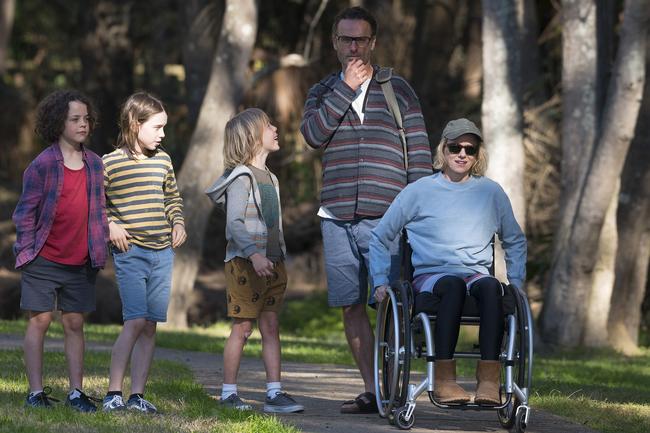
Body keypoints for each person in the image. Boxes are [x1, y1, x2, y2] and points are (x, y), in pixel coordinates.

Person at [300, 6, 432, 413]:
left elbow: (421, 153)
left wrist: (417, 212)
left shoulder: (397, 88)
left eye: (360, 39)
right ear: (335, 43)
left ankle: (394, 389)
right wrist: (343, 87)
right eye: (346, 39)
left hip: (387, 218)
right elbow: (312, 135)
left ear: (373, 42)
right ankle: (375, 391)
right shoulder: (323, 90)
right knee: (351, 305)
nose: (353, 46)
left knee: (389, 304)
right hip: (336, 215)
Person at [370, 118, 527, 405]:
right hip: (432, 276)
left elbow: (514, 239)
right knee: (452, 285)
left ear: (478, 154)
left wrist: (516, 284)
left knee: (493, 287)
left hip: (476, 275)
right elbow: (380, 236)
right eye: (455, 147)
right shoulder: (418, 191)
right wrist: (380, 280)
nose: (462, 154)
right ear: (443, 150)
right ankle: (444, 379)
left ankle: (490, 382)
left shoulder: (491, 192)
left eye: (470, 148)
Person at [13, 89, 108, 411]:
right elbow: (25, 213)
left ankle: (76, 392)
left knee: (74, 323)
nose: (83, 125)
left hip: (81, 260)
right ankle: (35, 392)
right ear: (58, 123)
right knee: (39, 321)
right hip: (43, 258)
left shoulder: (95, 165)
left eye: (86, 119)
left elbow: (99, 211)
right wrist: (27, 252)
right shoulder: (42, 165)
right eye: (75, 119)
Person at [205, 108, 303, 414]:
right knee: (243, 328)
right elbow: (234, 223)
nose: (276, 129)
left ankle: (274, 393)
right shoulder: (242, 177)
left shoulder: (270, 177)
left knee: (271, 326)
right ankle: (228, 393)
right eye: (269, 125)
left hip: (272, 263)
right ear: (252, 137)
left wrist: (274, 257)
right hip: (246, 263)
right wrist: (255, 254)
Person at [101, 92, 186, 413]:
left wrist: (178, 223)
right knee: (135, 321)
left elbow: (172, 199)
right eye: (157, 127)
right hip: (131, 252)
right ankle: (113, 394)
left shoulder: (163, 160)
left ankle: (136, 396)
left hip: (162, 253)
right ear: (136, 125)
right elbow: (96, 204)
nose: (163, 134)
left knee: (150, 325)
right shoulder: (109, 163)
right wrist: (111, 224)